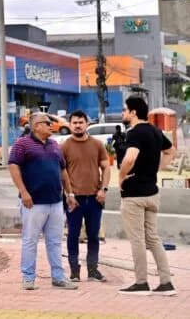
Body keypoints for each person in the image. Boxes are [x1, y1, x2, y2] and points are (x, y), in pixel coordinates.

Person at [8, 111, 77, 290]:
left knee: (55, 241)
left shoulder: (55, 145)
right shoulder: (22, 144)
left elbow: (63, 171)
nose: (51, 125)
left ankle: (58, 277)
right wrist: (23, 192)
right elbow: (13, 166)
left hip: (55, 202)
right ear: (36, 126)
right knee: (30, 240)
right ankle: (28, 277)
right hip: (33, 202)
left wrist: (70, 194)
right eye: (47, 123)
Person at [117, 96, 177, 296]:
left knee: (137, 240)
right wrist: (156, 169)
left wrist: (121, 177)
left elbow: (130, 157)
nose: (123, 113)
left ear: (134, 112)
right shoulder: (155, 131)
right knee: (153, 238)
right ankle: (166, 282)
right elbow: (171, 151)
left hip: (134, 195)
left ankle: (141, 283)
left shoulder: (134, 132)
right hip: (152, 193)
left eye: (125, 110)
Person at [60, 110, 110, 282]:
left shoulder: (97, 144)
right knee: (73, 235)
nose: (78, 125)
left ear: (87, 124)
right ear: (69, 125)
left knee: (94, 235)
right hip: (74, 200)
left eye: (81, 122)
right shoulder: (64, 146)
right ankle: (74, 270)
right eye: (74, 122)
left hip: (94, 199)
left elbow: (106, 168)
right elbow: (61, 172)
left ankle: (93, 269)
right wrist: (68, 194)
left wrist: (103, 189)